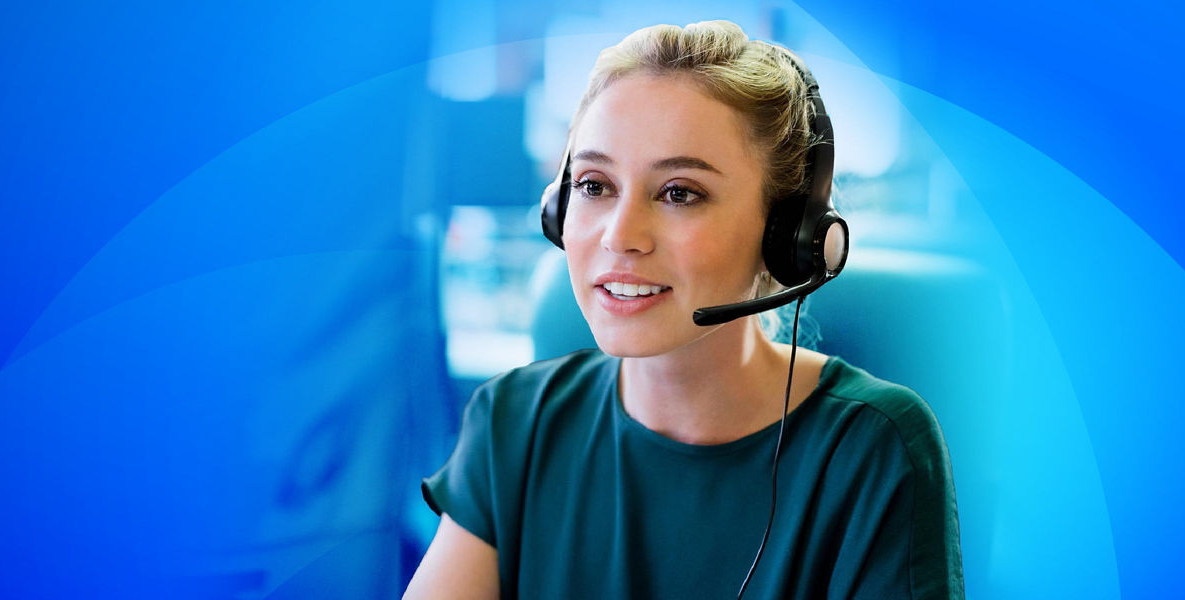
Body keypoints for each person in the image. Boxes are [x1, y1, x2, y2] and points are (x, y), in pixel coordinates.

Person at [404, 20, 963, 600]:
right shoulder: (514, 419)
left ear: (787, 237)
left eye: (679, 193)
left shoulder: (874, 448)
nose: (621, 237)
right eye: (594, 185)